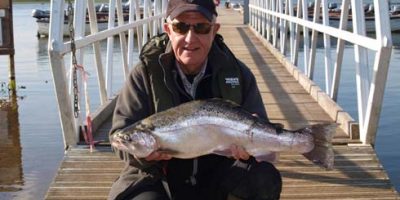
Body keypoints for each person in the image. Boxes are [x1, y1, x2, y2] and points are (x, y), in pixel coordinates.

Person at [108, 0, 282, 199]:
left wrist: (249, 150)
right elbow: (119, 134)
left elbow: (261, 125)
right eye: (180, 27)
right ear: (168, 30)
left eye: (201, 27)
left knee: (263, 179)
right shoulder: (144, 74)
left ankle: (306, 141)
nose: (190, 39)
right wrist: (143, 157)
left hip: (221, 172)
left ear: (214, 30)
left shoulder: (239, 74)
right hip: (159, 176)